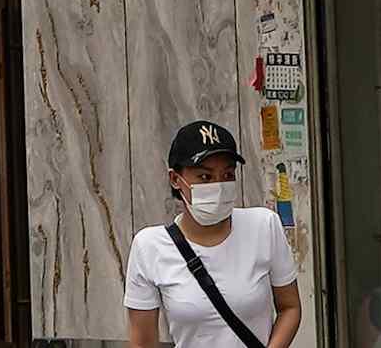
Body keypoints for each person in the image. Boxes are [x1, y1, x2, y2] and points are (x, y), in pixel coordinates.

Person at [123, 118, 300, 348]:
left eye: (227, 175)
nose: (218, 185)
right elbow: (142, 343)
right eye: (205, 177)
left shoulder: (264, 226)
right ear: (175, 179)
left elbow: (290, 307)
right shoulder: (149, 246)